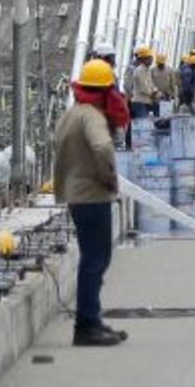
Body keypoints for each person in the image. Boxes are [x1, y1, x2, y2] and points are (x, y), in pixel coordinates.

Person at [54, 59, 126, 347]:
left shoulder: (72, 114)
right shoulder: (93, 116)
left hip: (75, 194)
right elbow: (102, 145)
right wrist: (108, 175)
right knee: (96, 259)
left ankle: (92, 319)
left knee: (92, 258)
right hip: (92, 195)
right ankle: (86, 325)